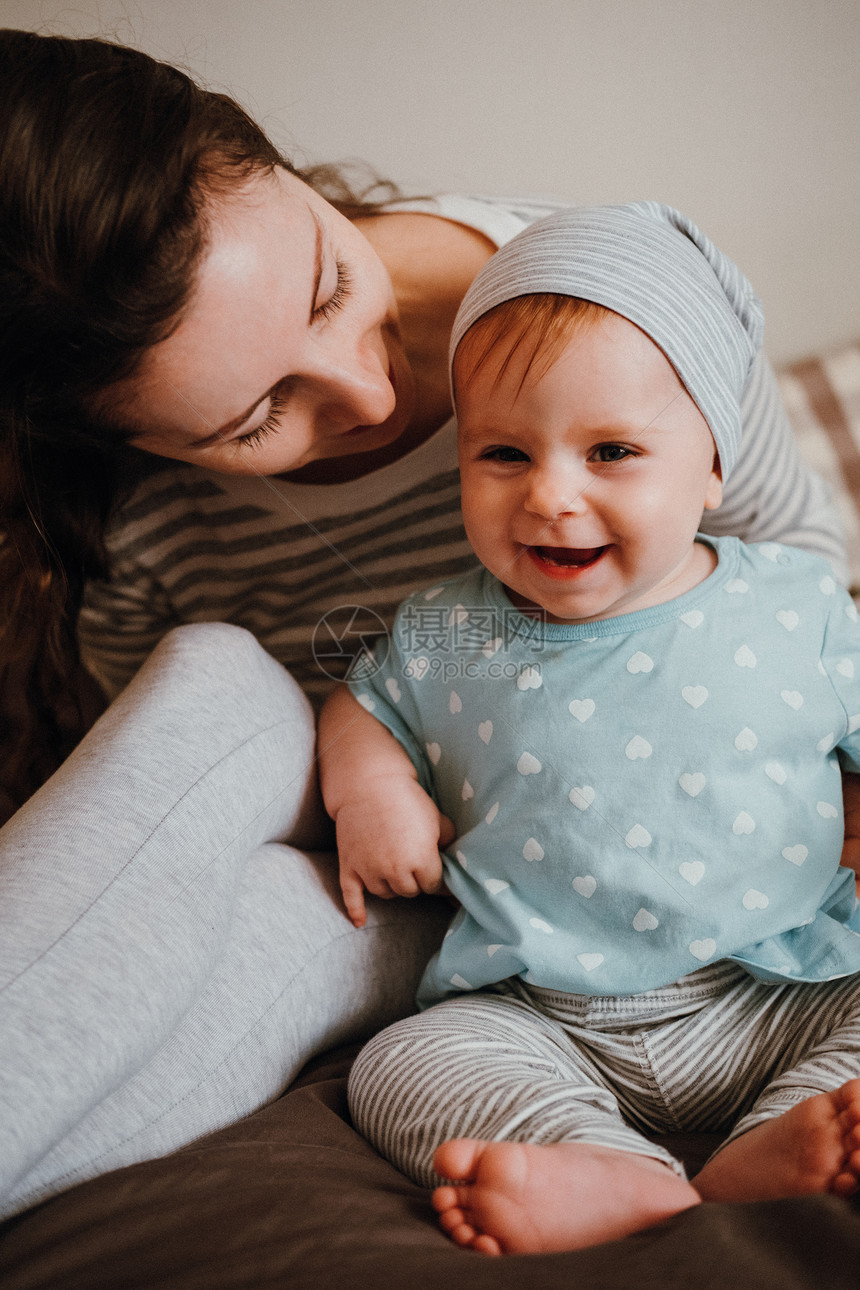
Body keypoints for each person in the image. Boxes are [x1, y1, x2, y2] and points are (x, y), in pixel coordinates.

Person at [0, 26, 853, 1220]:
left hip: (640, 927)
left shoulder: (625, 310)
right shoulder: (161, 531)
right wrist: (369, 769)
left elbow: (798, 574)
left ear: (270, 161)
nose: (371, 394)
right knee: (214, 693)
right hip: (396, 862)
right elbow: (230, 796)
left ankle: (725, 1157)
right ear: (124, 439)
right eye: (255, 423)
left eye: (326, 291)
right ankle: (607, 1173)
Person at [319, 203, 860, 1257]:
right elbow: (363, 702)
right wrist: (369, 791)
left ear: (711, 464)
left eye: (610, 450)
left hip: (781, 983)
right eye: (504, 454)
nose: (550, 497)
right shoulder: (450, 630)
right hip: (541, 1015)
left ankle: (773, 1144)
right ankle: (609, 1174)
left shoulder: (797, 607)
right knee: (398, 1066)